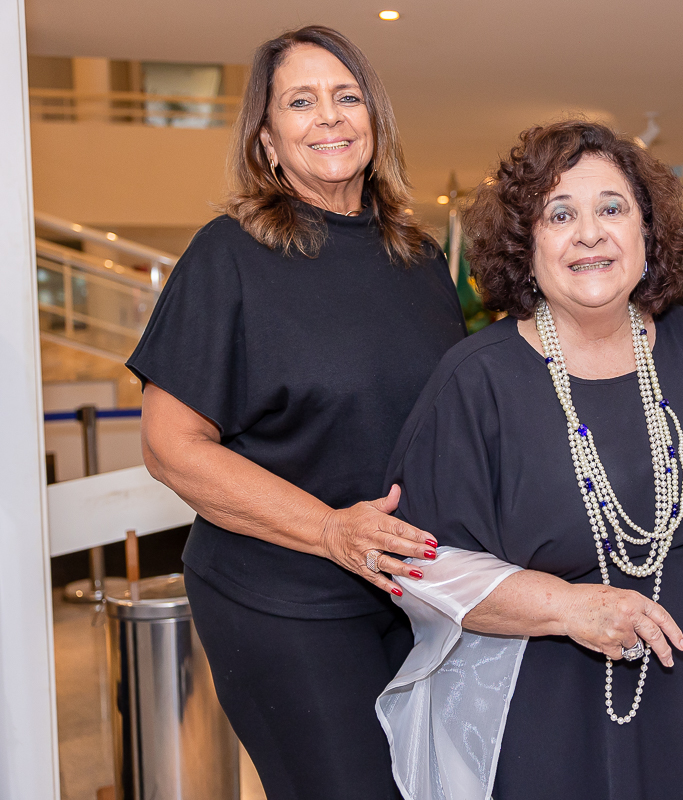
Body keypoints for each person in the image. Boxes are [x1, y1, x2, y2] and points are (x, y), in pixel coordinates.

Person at [128, 26, 466, 799]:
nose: (330, 117)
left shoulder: (416, 259)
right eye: (301, 102)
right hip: (281, 596)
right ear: (268, 140)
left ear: (375, 121)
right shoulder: (229, 256)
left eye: (348, 98)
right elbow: (170, 446)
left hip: (406, 592)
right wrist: (328, 529)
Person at [375, 121, 683, 800]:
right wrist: (568, 606)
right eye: (560, 214)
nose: (590, 233)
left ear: (646, 229)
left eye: (612, 208)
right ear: (526, 245)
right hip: (544, 723)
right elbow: (419, 562)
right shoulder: (476, 380)